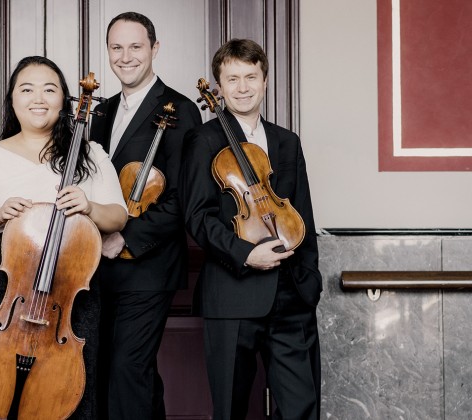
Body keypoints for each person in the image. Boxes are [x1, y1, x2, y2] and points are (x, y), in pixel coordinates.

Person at [0, 55, 127, 419]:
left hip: (71, 286)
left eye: (50, 90)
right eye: (27, 89)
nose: (38, 98)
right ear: (12, 99)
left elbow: (118, 216)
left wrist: (89, 206)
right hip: (8, 286)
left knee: (72, 391)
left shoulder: (89, 153)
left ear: (64, 99)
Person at [180, 39, 322, 420]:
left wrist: (310, 282)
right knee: (230, 409)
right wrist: (246, 254)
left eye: (251, 77)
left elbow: (301, 213)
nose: (242, 87)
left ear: (264, 81)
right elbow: (198, 216)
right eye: (232, 79)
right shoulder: (203, 140)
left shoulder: (286, 142)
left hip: (291, 296)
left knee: (300, 409)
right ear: (220, 86)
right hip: (233, 295)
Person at [88, 11, 202, 420]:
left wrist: (127, 237)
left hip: (147, 266)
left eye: (135, 46)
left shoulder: (181, 110)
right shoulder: (100, 112)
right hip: (96, 266)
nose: (125, 56)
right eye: (116, 47)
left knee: (127, 369)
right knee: (110, 373)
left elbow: (182, 197)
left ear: (154, 49)